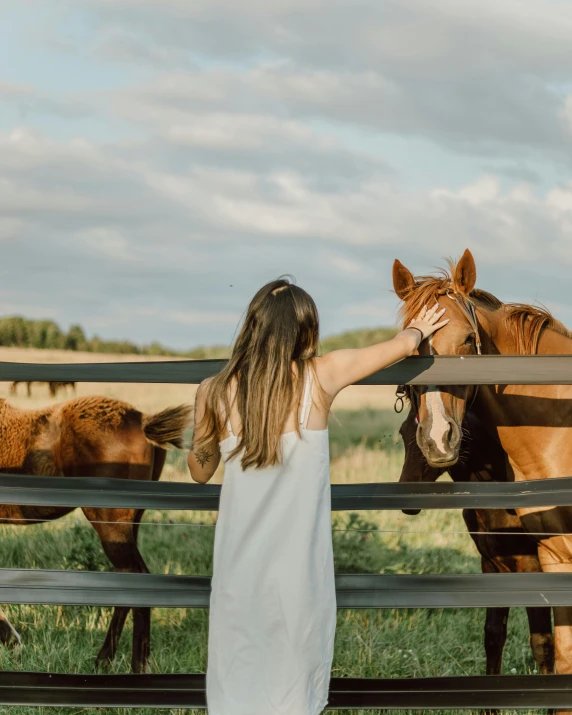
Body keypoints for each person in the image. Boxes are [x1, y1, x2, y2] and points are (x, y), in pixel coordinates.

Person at [187, 278, 448, 715]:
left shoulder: (212, 390)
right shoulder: (321, 376)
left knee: (239, 675)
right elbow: (398, 347)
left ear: (252, 325)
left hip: (239, 568)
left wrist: (206, 435)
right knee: (293, 685)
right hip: (299, 575)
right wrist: (419, 329)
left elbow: (200, 471)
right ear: (306, 331)